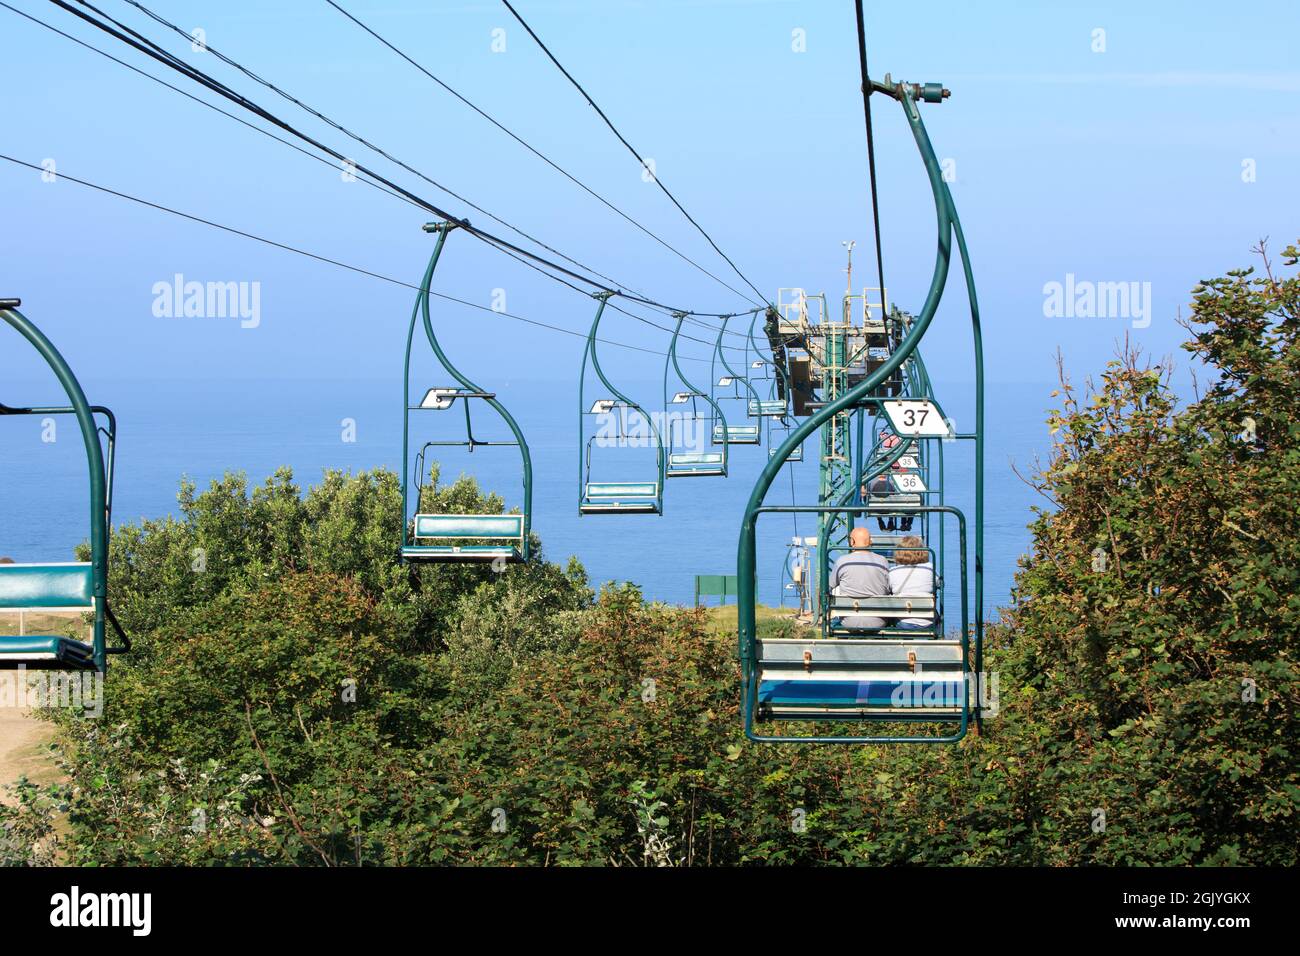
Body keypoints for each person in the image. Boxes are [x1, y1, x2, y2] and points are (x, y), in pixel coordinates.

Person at [828, 527, 889, 631]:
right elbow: (888, 589)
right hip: (877, 621)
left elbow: (828, 587)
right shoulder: (882, 561)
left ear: (852, 541)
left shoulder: (842, 561)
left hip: (849, 621)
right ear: (870, 541)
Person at [888, 535, 935, 633]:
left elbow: (888, 589)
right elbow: (939, 583)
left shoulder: (893, 572)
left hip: (903, 622)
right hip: (928, 622)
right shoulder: (929, 568)